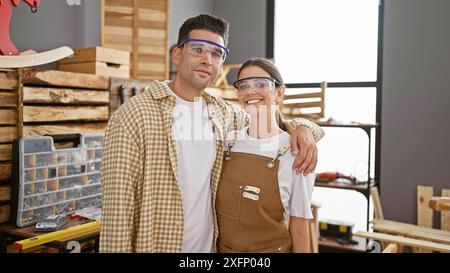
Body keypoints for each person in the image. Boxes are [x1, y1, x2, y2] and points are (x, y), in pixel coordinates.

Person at [100, 14, 324, 253]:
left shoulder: (225, 115)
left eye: (216, 54)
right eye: (198, 49)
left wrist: (305, 128)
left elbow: (269, 123)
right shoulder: (133, 116)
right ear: (177, 55)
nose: (207, 59)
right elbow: (117, 212)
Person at [216, 58, 315, 253]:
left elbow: (299, 224)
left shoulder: (295, 152)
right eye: (243, 85)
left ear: (279, 93)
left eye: (261, 84)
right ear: (237, 94)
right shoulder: (227, 143)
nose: (251, 91)